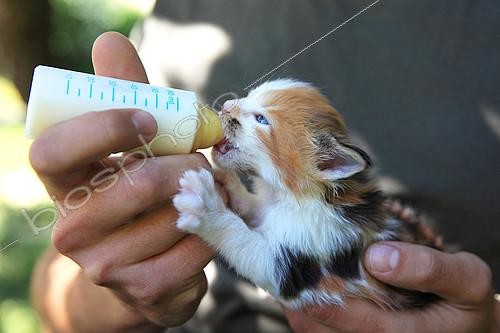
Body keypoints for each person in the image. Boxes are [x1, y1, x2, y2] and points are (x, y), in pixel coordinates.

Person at [29, 31, 499, 333]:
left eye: (259, 118)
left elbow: (278, 270)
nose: (229, 109)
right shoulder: (292, 205)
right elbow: (55, 294)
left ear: (326, 165)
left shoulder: (314, 227)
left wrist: (217, 220)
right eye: (246, 101)